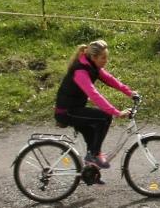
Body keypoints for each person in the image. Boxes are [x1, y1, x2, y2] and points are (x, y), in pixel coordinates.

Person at [53, 39, 137, 169]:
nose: (105, 61)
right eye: (103, 58)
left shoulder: (92, 66)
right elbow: (94, 94)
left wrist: (129, 92)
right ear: (93, 57)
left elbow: (110, 79)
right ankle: (93, 156)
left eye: (106, 57)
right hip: (66, 112)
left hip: (75, 109)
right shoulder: (80, 71)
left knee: (93, 135)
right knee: (104, 117)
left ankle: (91, 171)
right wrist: (115, 112)